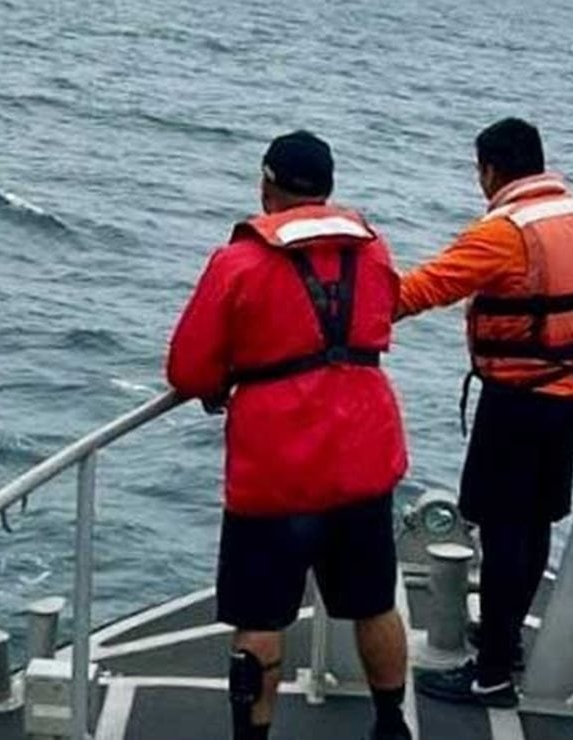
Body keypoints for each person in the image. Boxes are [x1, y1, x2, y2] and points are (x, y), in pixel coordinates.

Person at [166, 131, 412, 740]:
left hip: (276, 468)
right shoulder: (374, 251)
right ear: (328, 191)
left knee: (260, 616)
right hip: (362, 454)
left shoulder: (239, 262)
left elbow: (189, 370)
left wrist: (225, 381)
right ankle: (390, 726)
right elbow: (383, 317)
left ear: (266, 185)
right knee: (375, 601)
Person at [398, 117, 573, 707]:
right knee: (533, 527)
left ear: (489, 170)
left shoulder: (504, 233)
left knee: (505, 529)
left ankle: (490, 676)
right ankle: (503, 642)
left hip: (516, 402)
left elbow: (419, 290)